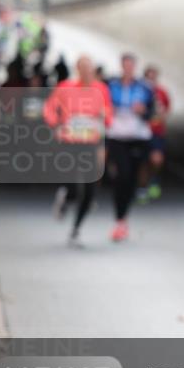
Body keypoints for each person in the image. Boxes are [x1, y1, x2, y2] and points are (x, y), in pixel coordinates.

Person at [44, 55, 113, 247]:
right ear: (77, 69)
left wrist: (104, 116)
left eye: (89, 68)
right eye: (83, 68)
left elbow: (109, 114)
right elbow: (49, 108)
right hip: (70, 141)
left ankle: (76, 230)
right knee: (74, 185)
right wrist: (55, 125)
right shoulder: (65, 87)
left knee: (90, 190)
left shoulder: (101, 89)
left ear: (93, 71)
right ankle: (66, 196)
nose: (86, 72)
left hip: (91, 142)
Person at [105, 53, 155, 242]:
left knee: (132, 179)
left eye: (131, 65)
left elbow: (153, 113)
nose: (128, 68)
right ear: (121, 66)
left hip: (138, 137)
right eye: (125, 65)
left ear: (134, 67)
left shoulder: (145, 87)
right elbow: (101, 106)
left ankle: (124, 218)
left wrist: (144, 111)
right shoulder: (111, 86)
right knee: (122, 175)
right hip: (117, 136)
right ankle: (119, 219)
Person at [138, 64, 171, 202]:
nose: (151, 80)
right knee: (142, 162)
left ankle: (154, 179)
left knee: (156, 160)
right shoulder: (139, 91)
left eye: (154, 77)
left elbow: (167, 111)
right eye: (148, 77)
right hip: (141, 132)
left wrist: (161, 116)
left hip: (157, 132)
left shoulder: (161, 93)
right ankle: (142, 187)